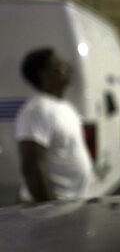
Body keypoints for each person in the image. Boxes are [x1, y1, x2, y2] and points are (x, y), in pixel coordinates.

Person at [15, 48, 94, 202]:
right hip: (53, 210)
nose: (67, 69)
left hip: (71, 204)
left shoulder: (63, 107)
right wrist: (49, 209)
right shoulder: (37, 110)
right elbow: (31, 165)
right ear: (43, 74)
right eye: (60, 65)